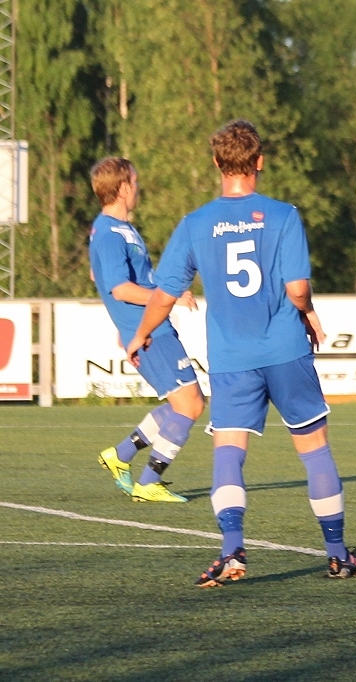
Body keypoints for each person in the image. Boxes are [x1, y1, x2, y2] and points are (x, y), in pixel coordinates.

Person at [125, 119, 356, 586]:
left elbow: (164, 294)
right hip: (285, 350)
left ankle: (232, 550)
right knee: (314, 449)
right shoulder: (283, 215)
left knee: (229, 453)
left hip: (232, 359)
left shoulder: (195, 223)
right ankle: (337, 555)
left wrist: (140, 335)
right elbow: (297, 289)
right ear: (259, 162)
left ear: (217, 163)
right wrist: (309, 313)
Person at [89, 157, 206, 503]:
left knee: (183, 402)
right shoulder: (108, 232)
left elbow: (100, 276)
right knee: (191, 405)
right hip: (151, 333)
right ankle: (148, 482)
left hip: (150, 326)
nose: (138, 188)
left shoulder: (118, 228)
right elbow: (119, 288)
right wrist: (167, 298)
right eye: (135, 182)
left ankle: (120, 455)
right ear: (123, 188)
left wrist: (130, 320)